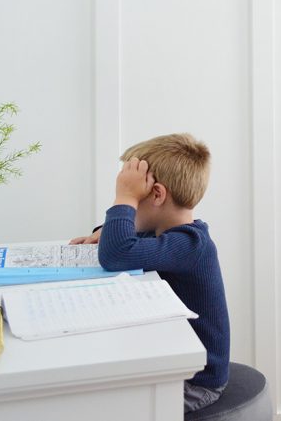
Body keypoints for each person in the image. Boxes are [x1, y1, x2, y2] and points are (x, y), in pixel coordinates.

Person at [70, 133, 230, 411]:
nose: (129, 206)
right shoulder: (165, 234)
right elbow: (126, 241)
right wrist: (104, 231)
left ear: (156, 194)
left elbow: (117, 254)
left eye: (133, 198)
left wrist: (123, 199)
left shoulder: (192, 245)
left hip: (194, 384)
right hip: (177, 365)